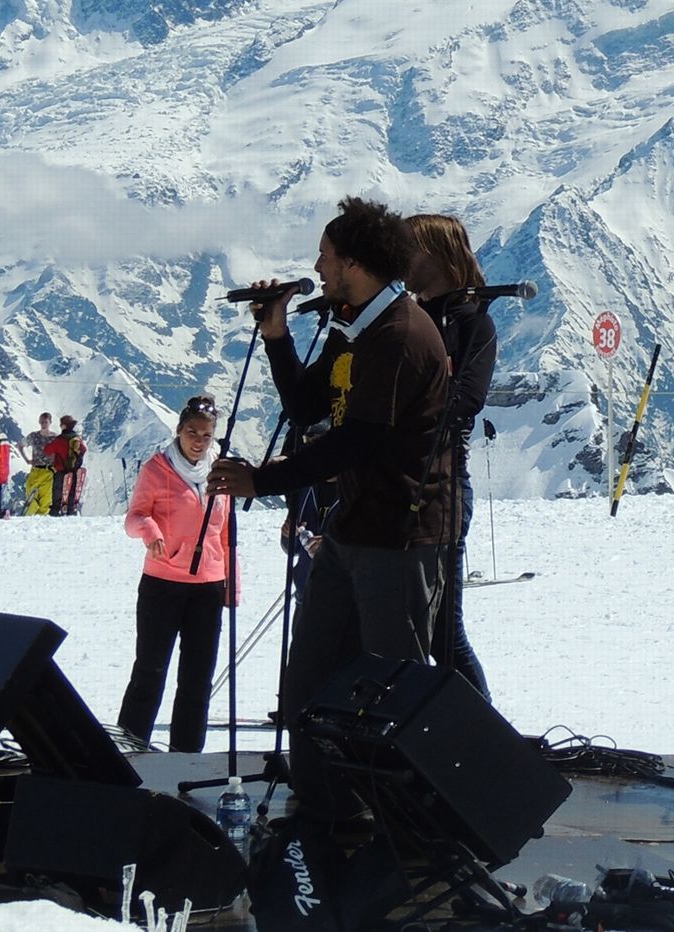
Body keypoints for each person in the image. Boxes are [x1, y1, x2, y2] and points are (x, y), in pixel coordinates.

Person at [208, 196, 450, 825]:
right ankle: (323, 809)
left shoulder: (399, 335)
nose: (316, 266)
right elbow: (307, 409)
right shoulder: (357, 329)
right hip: (353, 529)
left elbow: (355, 439)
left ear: (354, 263)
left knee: (390, 688)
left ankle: (402, 821)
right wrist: (276, 335)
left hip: (397, 537)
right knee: (310, 684)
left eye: (325, 256)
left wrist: (263, 481)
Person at [405, 212, 496, 701]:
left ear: (437, 255)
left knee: (443, 632)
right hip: (402, 483)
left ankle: (485, 742)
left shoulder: (472, 321)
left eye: (408, 249)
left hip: (442, 486)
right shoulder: (408, 314)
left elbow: (466, 402)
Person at [118, 396, 234, 752]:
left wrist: (232, 585)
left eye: (206, 434)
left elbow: (227, 535)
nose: (198, 441)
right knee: (150, 672)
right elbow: (134, 517)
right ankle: (130, 748)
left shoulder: (220, 471)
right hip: (162, 583)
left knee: (197, 681)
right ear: (179, 431)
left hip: (209, 586)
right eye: (192, 432)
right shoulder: (157, 469)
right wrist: (151, 532)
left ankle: (186, 757)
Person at [48, 415, 88, 516]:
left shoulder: (59, 440)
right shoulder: (77, 439)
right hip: (74, 470)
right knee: (71, 491)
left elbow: (47, 450)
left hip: (61, 470)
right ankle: (71, 510)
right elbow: (83, 449)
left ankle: (56, 510)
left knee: (58, 490)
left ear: (64, 426)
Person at [25, 412, 55, 516]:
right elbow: (20, 445)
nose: (43, 424)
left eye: (45, 422)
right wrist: (27, 459)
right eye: (42, 422)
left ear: (50, 422)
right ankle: (30, 514)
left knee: (45, 499)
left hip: (48, 471)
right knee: (30, 493)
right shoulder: (34, 436)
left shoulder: (55, 438)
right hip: (36, 469)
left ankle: (40, 519)